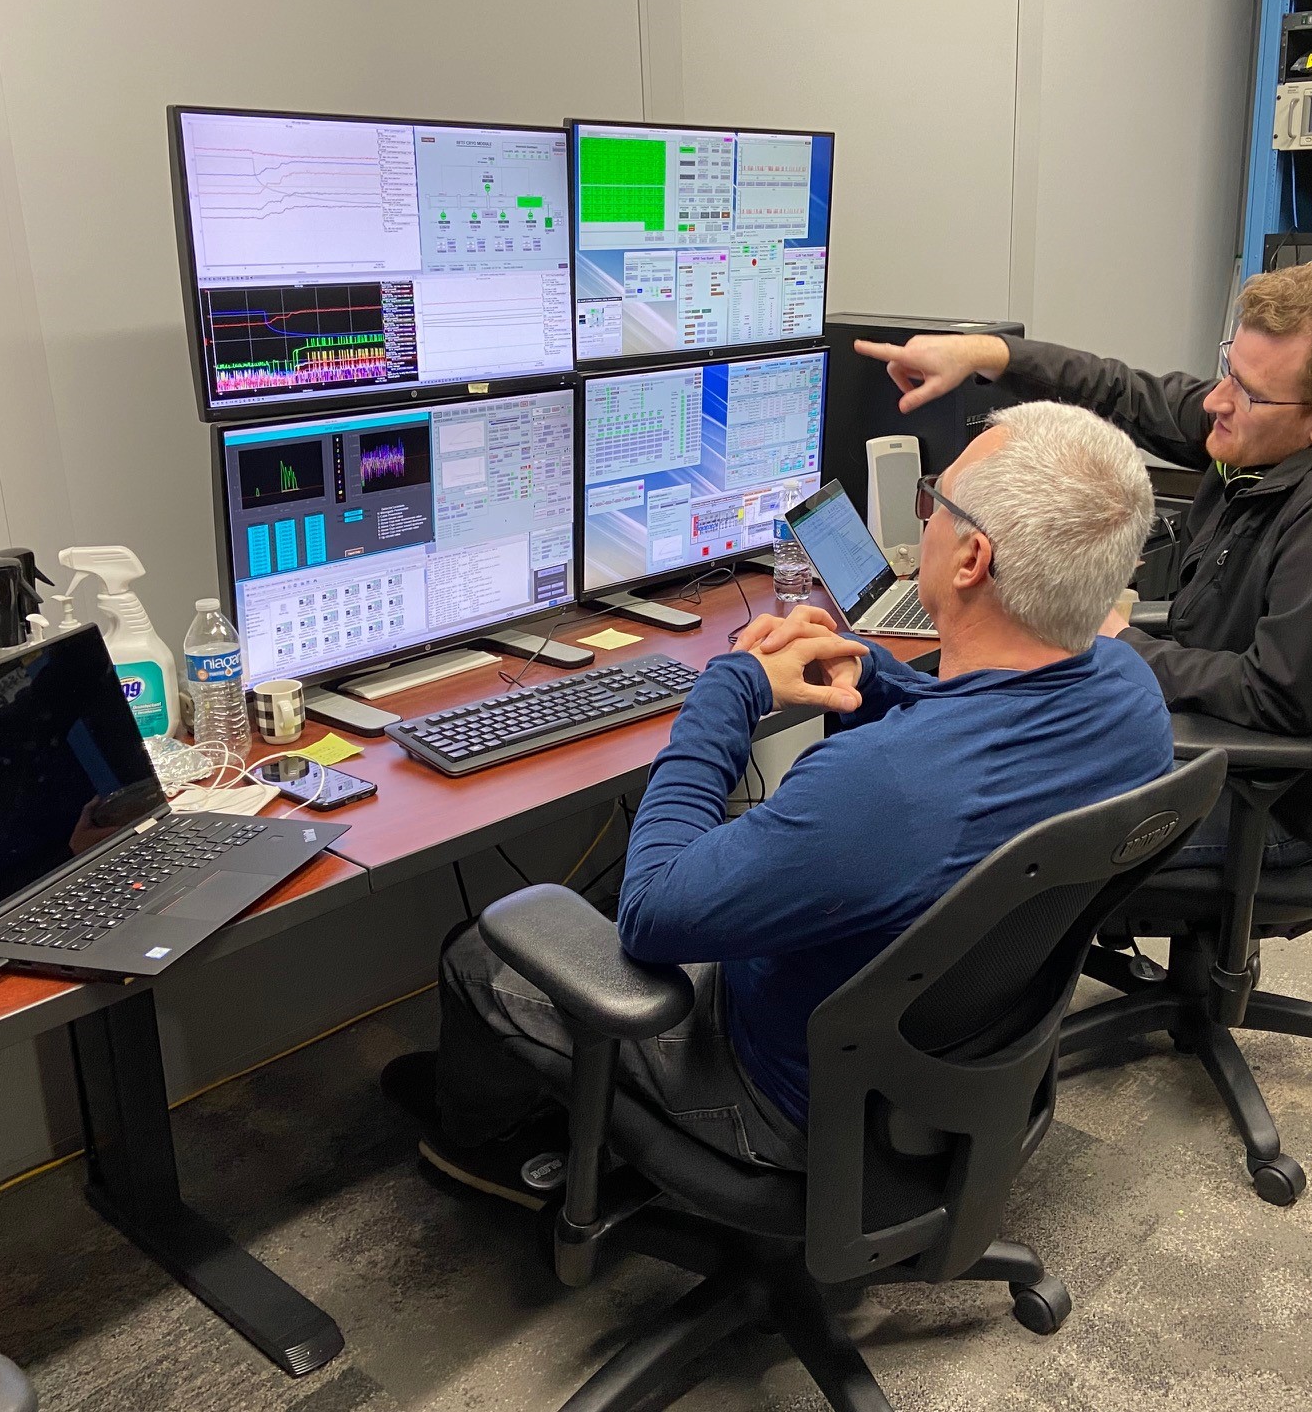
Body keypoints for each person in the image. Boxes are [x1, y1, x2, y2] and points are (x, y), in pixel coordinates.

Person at [384, 402, 1173, 1204]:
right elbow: (964, 721)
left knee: (482, 949)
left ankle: (482, 1154)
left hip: (787, 1106)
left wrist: (730, 690)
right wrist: (869, 670)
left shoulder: (881, 789)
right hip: (947, 1062)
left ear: (972, 558)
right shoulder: (1128, 692)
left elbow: (649, 914)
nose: (922, 514)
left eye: (935, 500)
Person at [854, 261, 1312, 867]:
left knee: (984, 830)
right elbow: (1121, 391)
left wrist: (1123, 643)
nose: (1217, 402)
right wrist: (988, 354)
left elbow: (1280, 698)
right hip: (1198, 737)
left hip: (1264, 799)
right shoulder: (1271, 428)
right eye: (1228, 372)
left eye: (1248, 394)